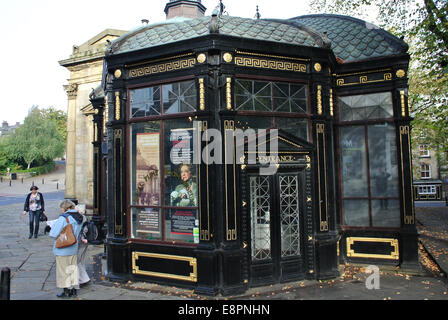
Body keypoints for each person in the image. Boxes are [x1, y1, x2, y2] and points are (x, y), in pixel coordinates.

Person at [49, 200, 83, 298]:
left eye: (61, 208)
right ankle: (73, 290)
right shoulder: (80, 217)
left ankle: (66, 290)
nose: (61, 210)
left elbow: (53, 233)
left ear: (65, 208)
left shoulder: (64, 218)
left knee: (63, 270)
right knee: (73, 269)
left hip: (62, 248)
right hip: (74, 247)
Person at [75, 204, 90, 287]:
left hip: (80, 241)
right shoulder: (84, 217)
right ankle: (83, 278)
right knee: (80, 260)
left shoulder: (80, 218)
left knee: (77, 261)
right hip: (84, 241)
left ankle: (83, 278)